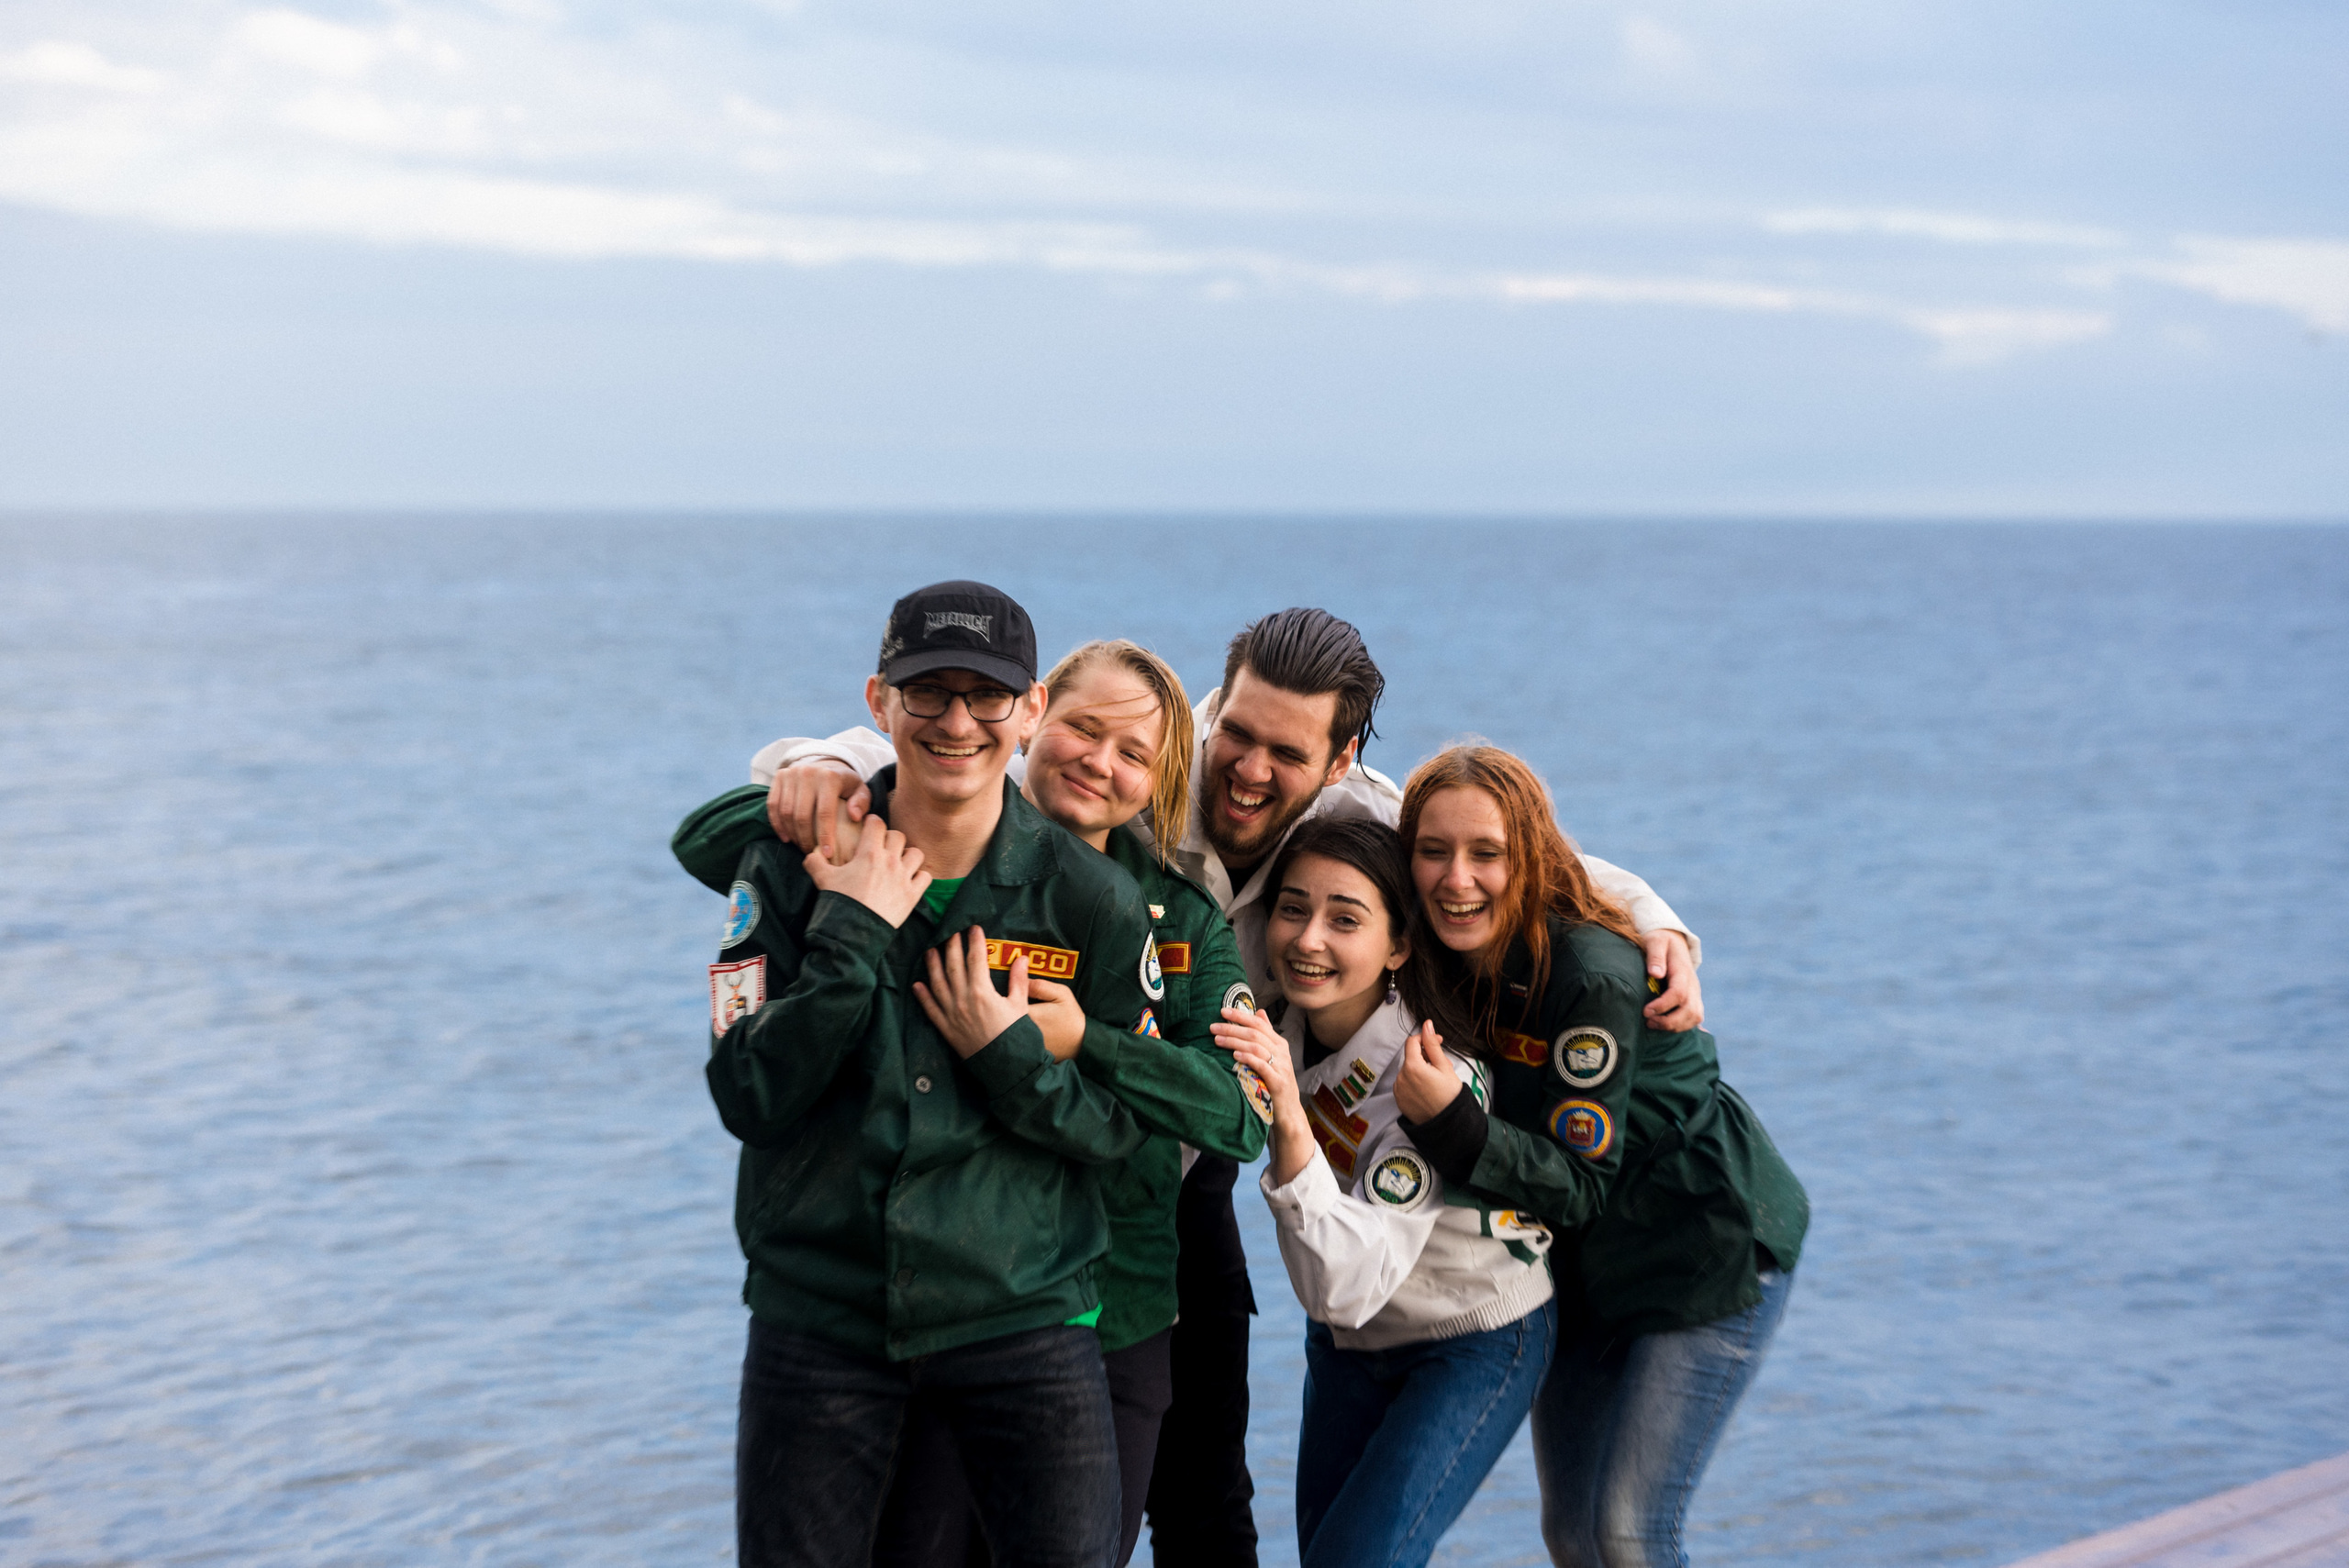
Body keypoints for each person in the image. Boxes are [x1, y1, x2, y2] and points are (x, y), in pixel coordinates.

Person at [751, 607, 1706, 1566]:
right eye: (1236, 734)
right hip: (996, 1211)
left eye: (1285, 753)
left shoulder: (1358, 822)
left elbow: (1508, 849)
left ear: (1338, 766)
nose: (1247, 768)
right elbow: (946, 743)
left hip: (1176, 1183)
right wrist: (821, 760)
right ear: (1211, 713)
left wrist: (1655, 918)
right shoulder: (1125, 766)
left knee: (1204, 1495)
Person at [674, 639, 1270, 1568]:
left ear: (1159, 779)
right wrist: (823, 771)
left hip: (1119, 1301)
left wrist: (1085, 1041)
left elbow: (1239, 1113)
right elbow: (710, 845)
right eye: (1082, 727)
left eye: (1132, 753)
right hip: (963, 1298)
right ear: (1037, 719)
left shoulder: (1173, 916)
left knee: (1180, 1518)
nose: (1098, 761)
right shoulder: (900, 838)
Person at [1386, 745, 1809, 1568]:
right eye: (1433, 851)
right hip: (1586, 1267)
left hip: (1705, 1250)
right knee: (1573, 1533)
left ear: (1531, 860)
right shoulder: (1447, 948)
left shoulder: (1594, 974)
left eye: (1487, 855)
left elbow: (1578, 1179)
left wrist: (1456, 1126)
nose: (1455, 878)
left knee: (1629, 1531)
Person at [1212, 817, 1560, 1568]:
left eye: (1346, 919)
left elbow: (1345, 1287)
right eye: (1292, 908)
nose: (1308, 939)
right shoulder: (1277, 1021)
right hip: (1347, 1343)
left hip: (1472, 1331)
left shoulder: (1432, 1073)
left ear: (1399, 945)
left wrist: (1289, 1124)